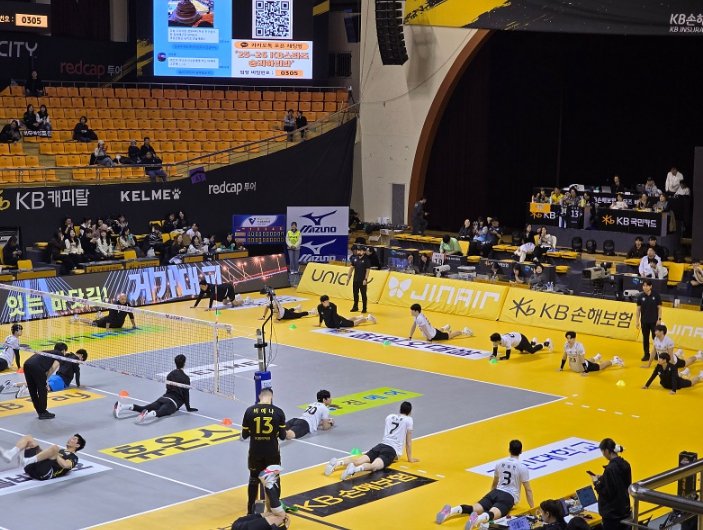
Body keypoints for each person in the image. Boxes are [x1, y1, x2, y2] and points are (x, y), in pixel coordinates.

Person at [436, 439, 534, 527]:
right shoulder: (522, 467)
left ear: (509, 450)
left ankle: (451, 510)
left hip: (495, 492)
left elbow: (494, 483)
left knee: (473, 508)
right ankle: (477, 519)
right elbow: (528, 489)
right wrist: (532, 508)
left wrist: (491, 497)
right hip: (508, 497)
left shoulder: (500, 464)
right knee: (492, 514)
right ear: (521, 451)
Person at [325, 401, 418, 480]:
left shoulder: (390, 417)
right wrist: (410, 459)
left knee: (358, 461)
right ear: (409, 412)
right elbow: (408, 442)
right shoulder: (408, 420)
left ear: (400, 409)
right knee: (374, 466)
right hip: (391, 450)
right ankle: (354, 470)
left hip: (380, 446)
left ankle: (337, 463)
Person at [241, 387, 287, 514]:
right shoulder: (278, 412)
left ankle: (250, 511)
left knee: (253, 479)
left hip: (255, 451)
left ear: (259, 396)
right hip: (272, 452)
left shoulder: (249, 411)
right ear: (271, 397)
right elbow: (283, 436)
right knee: (274, 480)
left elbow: (244, 435)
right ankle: (274, 510)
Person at [114, 354, 197, 423]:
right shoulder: (186, 378)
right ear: (184, 363)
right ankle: (146, 415)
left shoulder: (170, 374)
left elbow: (168, 388)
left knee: (143, 408)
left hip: (163, 398)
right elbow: (186, 394)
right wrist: (188, 408)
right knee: (160, 413)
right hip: (172, 403)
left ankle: (122, 406)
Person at [0, 434, 86, 481]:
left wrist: (55, 454)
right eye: (71, 437)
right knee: (29, 438)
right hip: (32, 468)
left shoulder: (74, 457)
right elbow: (46, 457)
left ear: (77, 445)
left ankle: (27, 461)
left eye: (74, 439)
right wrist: (39, 450)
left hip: (45, 474)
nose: (70, 439)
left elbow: (66, 465)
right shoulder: (61, 451)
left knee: (54, 448)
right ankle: (10, 454)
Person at [590, 438, 631, 530]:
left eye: (603, 452)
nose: (603, 455)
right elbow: (623, 482)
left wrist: (596, 482)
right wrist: (604, 477)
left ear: (607, 451)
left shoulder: (610, 469)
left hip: (612, 515)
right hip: (624, 509)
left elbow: (607, 493)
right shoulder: (625, 464)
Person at [23, 342, 67, 419]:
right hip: (37, 367)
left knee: (32, 390)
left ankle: (39, 411)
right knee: (42, 389)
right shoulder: (60, 354)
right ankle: (43, 412)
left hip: (27, 364)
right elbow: (53, 368)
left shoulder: (47, 352)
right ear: (63, 350)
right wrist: (45, 379)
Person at [559, 331, 623, 375]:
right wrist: (561, 367)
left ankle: (615, 360)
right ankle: (596, 357)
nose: (569, 340)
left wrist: (586, 371)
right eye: (567, 338)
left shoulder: (579, 346)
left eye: (570, 338)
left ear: (574, 338)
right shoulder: (566, 345)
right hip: (574, 368)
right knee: (586, 360)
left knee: (600, 367)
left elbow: (582, 360)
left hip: (584, 367)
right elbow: (564, 356)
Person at [636, 279, 662, 362]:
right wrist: (637, 321)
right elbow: (638, 310)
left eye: (647, 285)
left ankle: (657, 354)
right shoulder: (640, 296)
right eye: (643, 285)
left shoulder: (656, 295)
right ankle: (646, 355)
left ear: (650, 286)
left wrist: (659, 319)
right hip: (644, 322)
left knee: (656, 338)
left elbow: (659, 308)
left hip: (654, 322)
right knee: (645, 338)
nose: (645, 287)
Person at [348, 245, 371, 313]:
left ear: (364, 252)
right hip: (355, 280)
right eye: (358, 250)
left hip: (362, 280)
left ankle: (364, 308)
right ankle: (355, 307)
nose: (359, 252)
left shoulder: (366, 260)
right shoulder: (355, 258)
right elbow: (351, 268)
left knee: (363, 294)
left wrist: (365, 279)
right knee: (355, 293)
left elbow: (367, 270)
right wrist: (348, 276)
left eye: (360, 250)